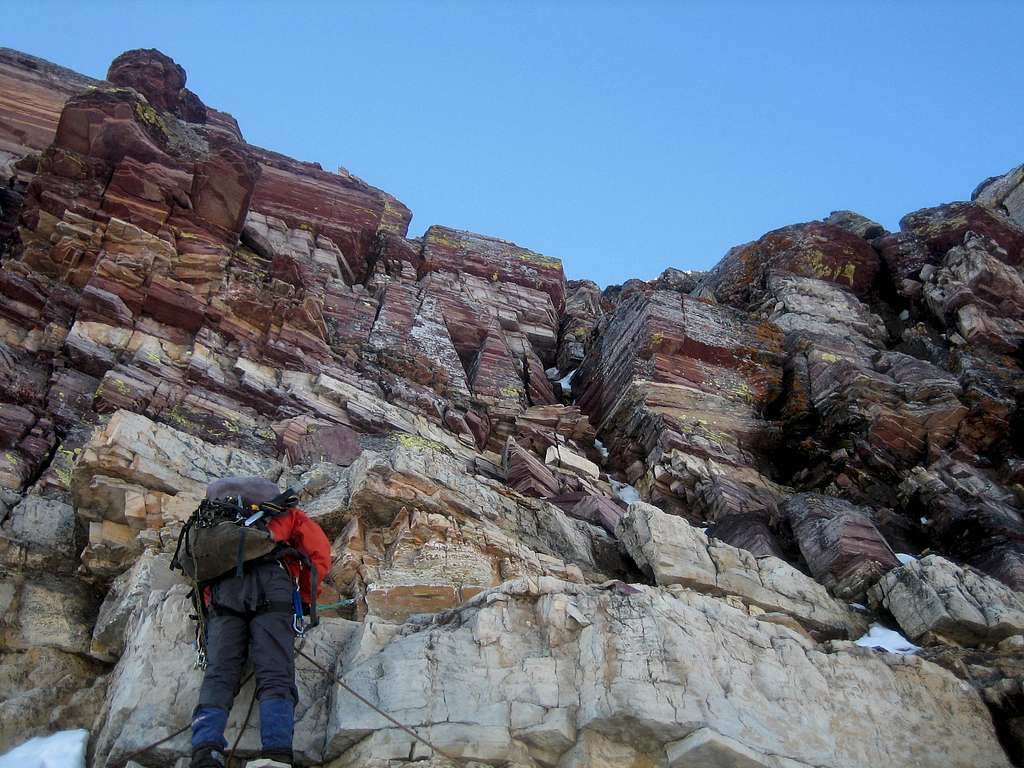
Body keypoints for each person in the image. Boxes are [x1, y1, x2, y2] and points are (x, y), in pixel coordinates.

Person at [188, 477, 332, 768]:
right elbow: (318, 553)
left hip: (224, 590)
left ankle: (206, 751)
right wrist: (304, 598)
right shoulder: (284, 513)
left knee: (219, 673)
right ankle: (276, 753)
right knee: (275, 672)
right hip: (272, 585)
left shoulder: (215, 521)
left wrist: (208, 606)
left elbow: (197, 565)